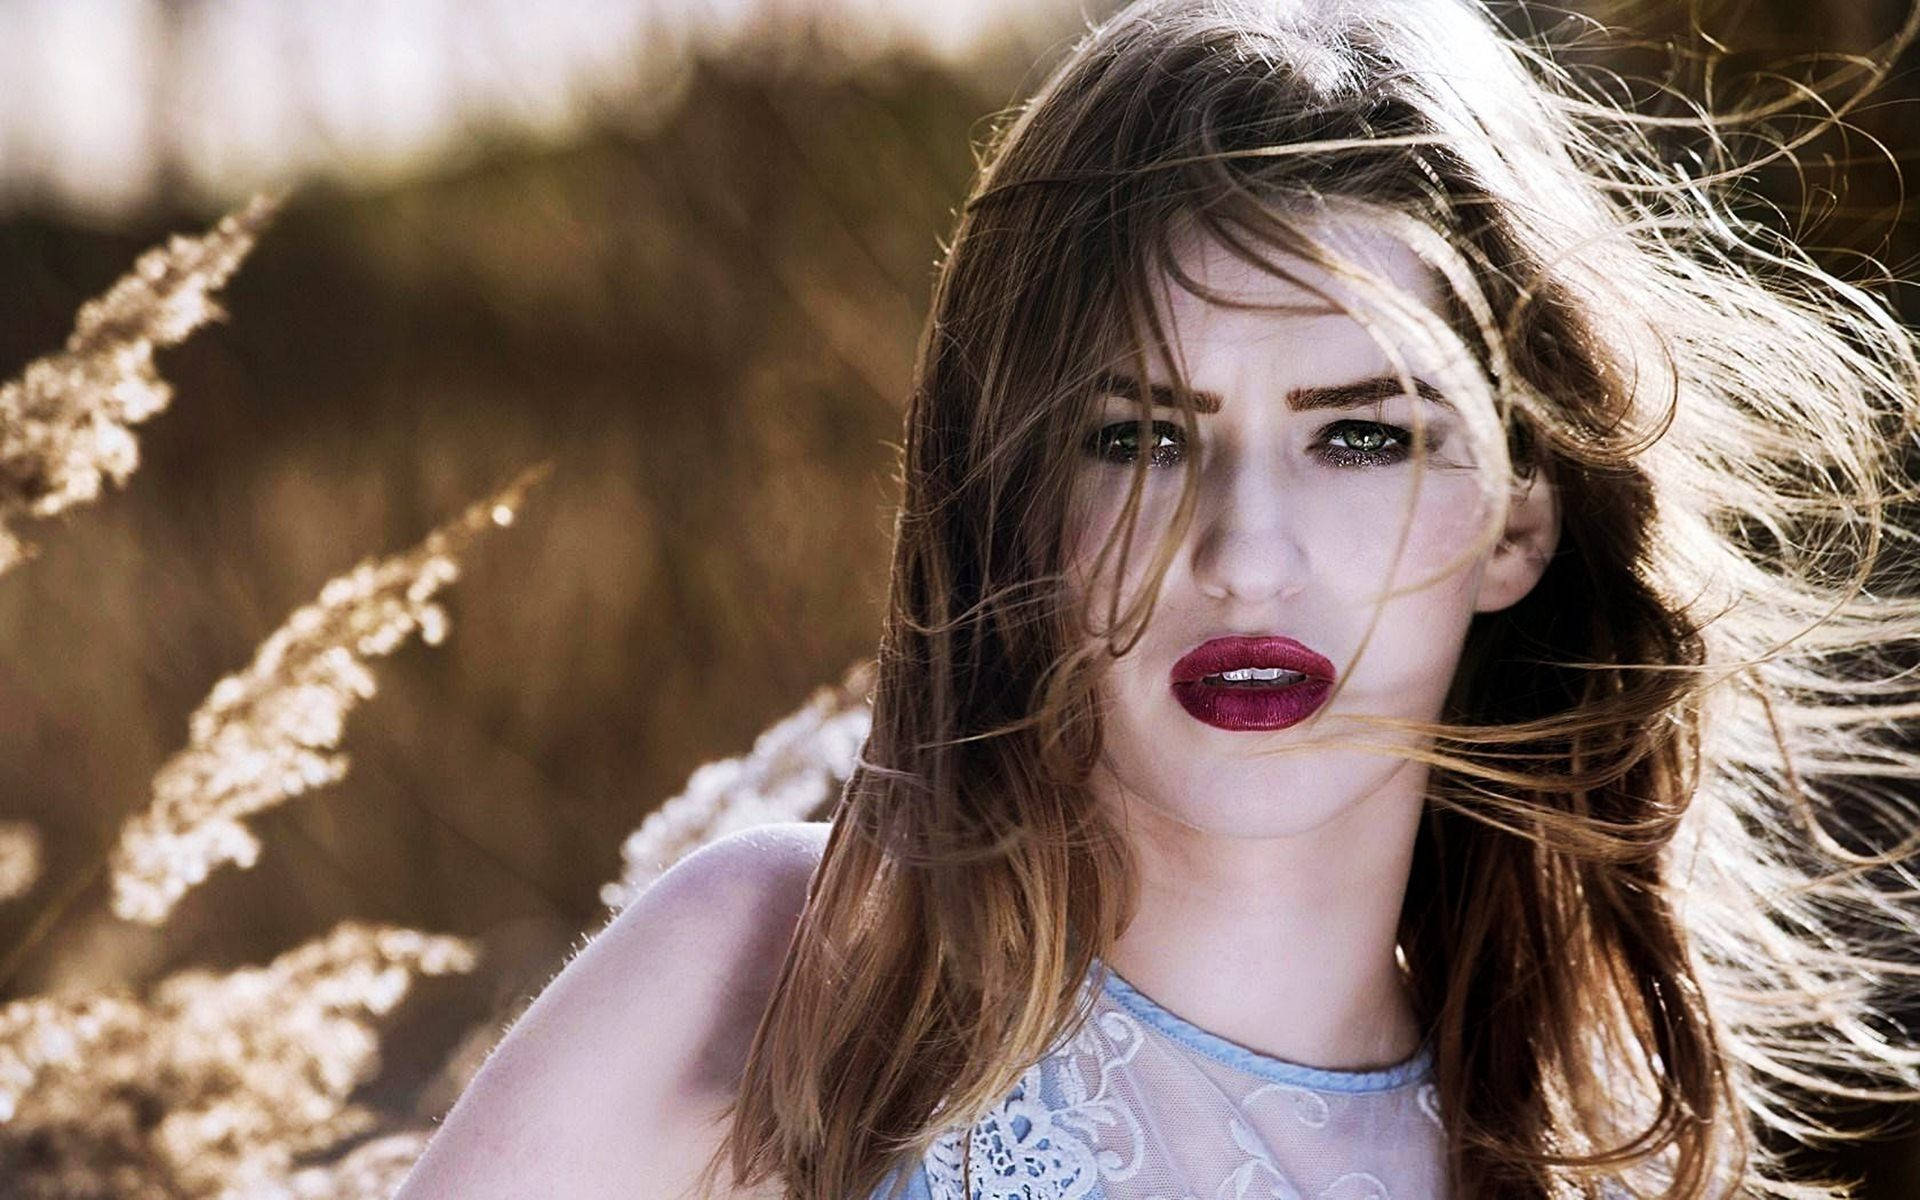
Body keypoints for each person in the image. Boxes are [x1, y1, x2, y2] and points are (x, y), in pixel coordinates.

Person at [393, 1, 1920, 1197]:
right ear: (1019, 500)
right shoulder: (775, 996)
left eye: (1361, 434)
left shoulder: (1595, 1169)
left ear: (1518, 522)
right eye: (1138, 435)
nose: (1244, 552)